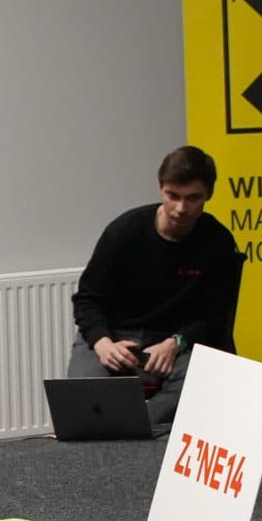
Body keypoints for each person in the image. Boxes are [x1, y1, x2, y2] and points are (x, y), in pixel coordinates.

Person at [69, 145, 243, 425]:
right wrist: (102, 343)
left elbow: (215, 315)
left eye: (192, 198)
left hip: (176, 339)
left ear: (208, 195)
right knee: (81, 399)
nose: (181, 208)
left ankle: (137, 426)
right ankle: (130, 425)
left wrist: (175, 343)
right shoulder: (124, 231)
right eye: (172, 196)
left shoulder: (218, 241)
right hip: (116, 333)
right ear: (161, 188)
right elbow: (88, 300)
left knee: (204, 386)